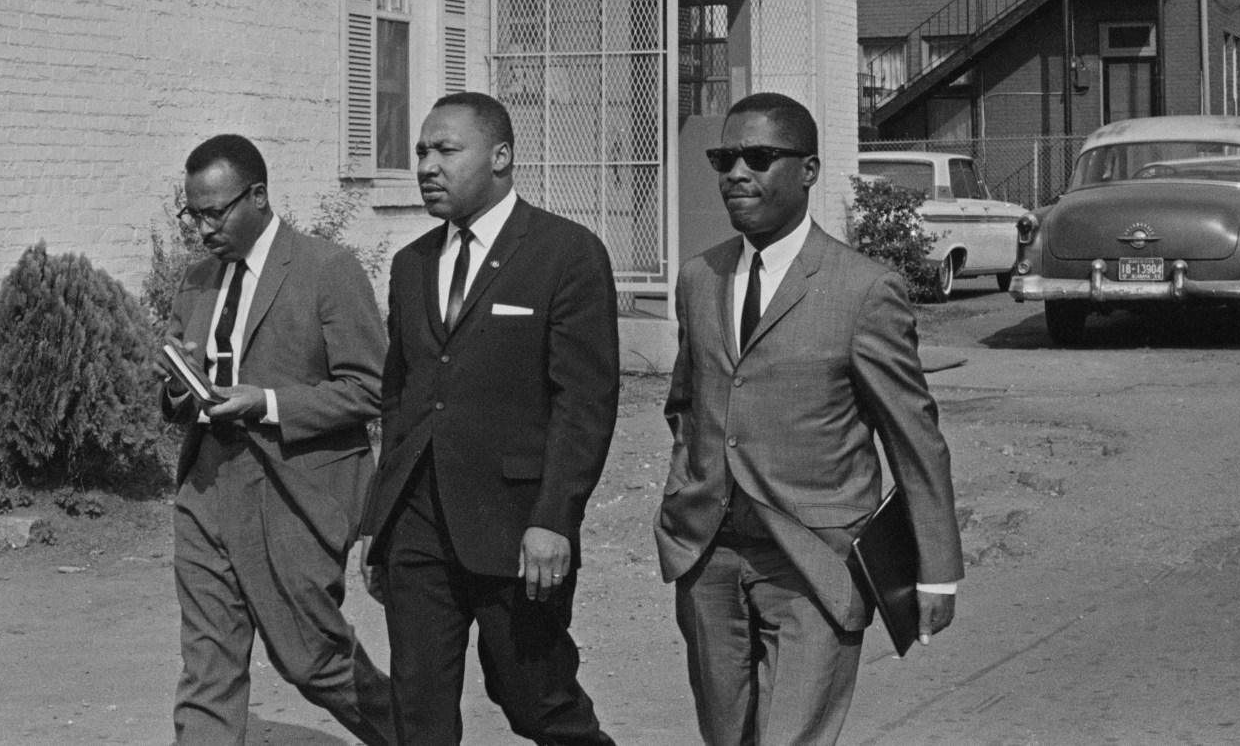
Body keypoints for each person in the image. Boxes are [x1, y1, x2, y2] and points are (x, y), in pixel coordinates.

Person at [656, 92, 963, 746]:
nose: (736, 172)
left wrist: (935, 568)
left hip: (812, 561)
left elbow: (913, 439)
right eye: (724, 157)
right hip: (710, 555)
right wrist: (686, 491)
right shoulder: (697, 278)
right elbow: (686, 401)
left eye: (759, 157)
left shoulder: (861, 289)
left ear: (808, 169)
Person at [359, 92, 620, 746]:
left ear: (500, 156)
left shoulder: (565, 253)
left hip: (514, 525)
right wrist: (379, 521)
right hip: (417, 523)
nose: (426, 164)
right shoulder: (411, 263)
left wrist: (554, 518)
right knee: (416, 713)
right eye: (421, 150)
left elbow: (583, 402)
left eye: (447, 149)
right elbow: (400, 396)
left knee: (536, 703)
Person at [158, 134, 395, 746]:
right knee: (208, 667)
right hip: (207, 486)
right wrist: (183, 384)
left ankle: (418, 734)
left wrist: (264, 401)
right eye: (193, 213)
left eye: (215, 212)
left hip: (295, 487)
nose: (202, 227)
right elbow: (181, 399)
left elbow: (370, 388)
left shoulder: (326, 268)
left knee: (310, 658)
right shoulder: (196, 279)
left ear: (258, 196)